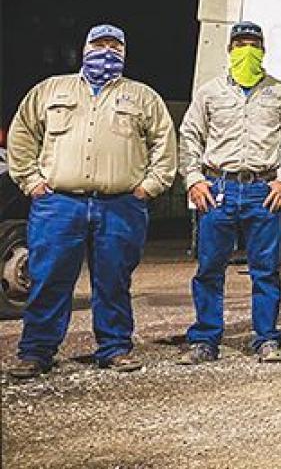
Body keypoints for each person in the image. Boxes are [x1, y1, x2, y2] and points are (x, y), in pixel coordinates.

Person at [6, 24, 176, 379]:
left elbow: (164, 144)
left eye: (115, 46)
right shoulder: (50, 90)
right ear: (85, 49)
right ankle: (36, 351)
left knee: (113, 280)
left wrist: (149, 187)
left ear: (125, 53)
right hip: (58, 204)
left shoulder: (143, 97)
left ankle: (114, 348)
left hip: (121, 204)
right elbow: (22, 136)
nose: (107, 51)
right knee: (48, 278)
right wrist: (31, 181)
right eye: (100, 44)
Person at [177, 21, 281, 365]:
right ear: (229, 49)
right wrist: (193, 179)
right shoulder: (210, 92)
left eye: (253, 44)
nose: (246, 50)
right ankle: (205, 339)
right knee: (209, 269)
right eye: (240, 44)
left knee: (266, 269)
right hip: (217, 189)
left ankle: (266, 338)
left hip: (262, 191)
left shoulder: (280, 93)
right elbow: (189, 136)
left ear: (262, 50)